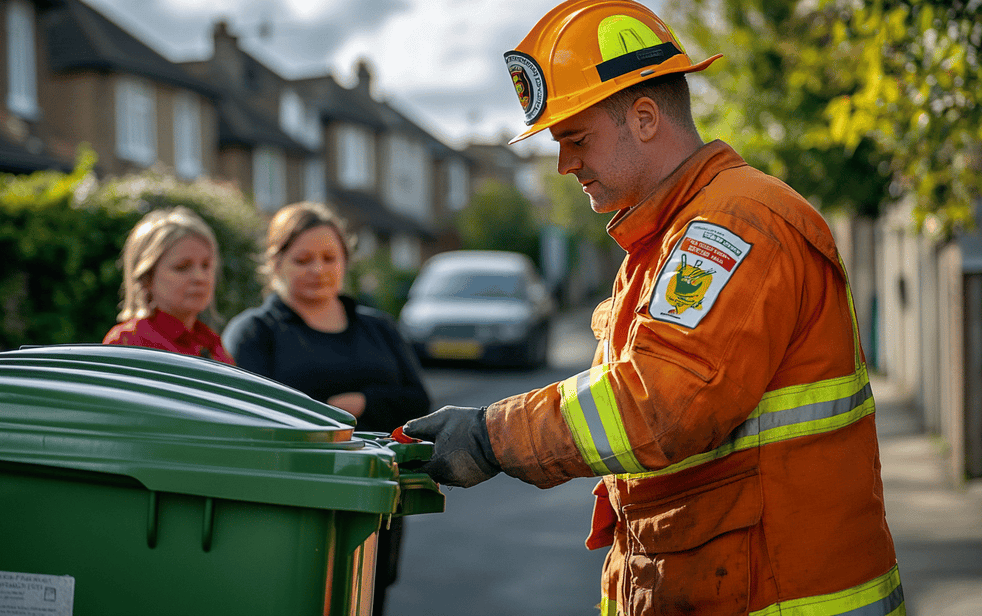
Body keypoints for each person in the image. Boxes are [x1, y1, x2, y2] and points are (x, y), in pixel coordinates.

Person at [404, 1, 905, 615]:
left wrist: (493, 436)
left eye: (575, 138)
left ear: (644, 117)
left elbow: (661, 405)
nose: (565, 164)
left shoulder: (732, 225)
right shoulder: (673, 235)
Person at [221, 201, 431, 615]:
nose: (318, 269)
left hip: (376, 504)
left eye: (329, 257)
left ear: (346, 260)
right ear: (274, 262)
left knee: (368, 600)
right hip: (289, 507)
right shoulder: (254, 334)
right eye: (302, 259)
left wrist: (364, 402)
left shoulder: (379, 328)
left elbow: (419, 403)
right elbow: (249, 417)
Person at [103, 206, 235, 365]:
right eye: (182, 267)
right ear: (147, 277)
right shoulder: (128, 343)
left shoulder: (213, 343)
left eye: (206, 265)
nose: (200, 278)